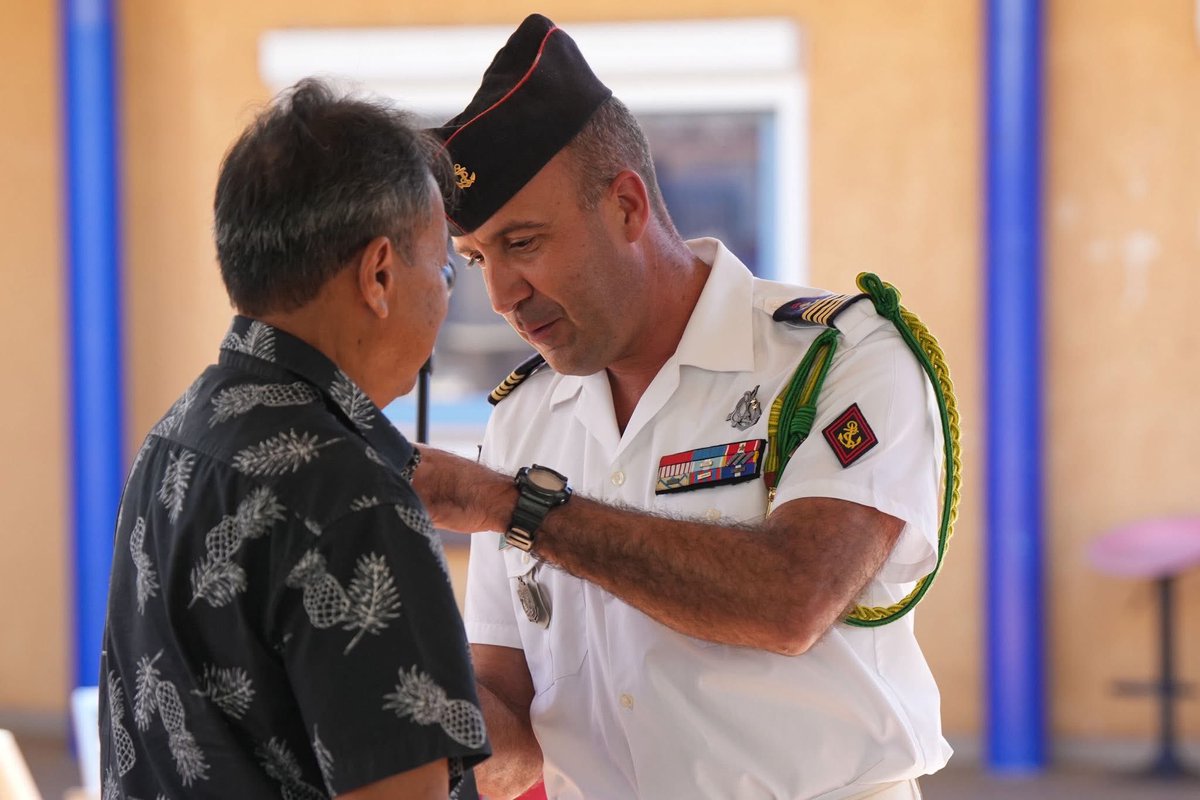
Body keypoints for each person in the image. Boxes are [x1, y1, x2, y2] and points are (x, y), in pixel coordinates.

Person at [414, 14, 956, 800]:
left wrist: (511, 508)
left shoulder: (836, 360)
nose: (501, 295)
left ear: (627, 207)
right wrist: (389, 672)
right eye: (476, 259)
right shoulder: (522, 419)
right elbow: (518, 745)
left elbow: (791, 599)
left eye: (524, 244)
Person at [98, 78, 489, 800]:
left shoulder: (176, 438)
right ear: (378, 274)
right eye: (444, 270)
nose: (444, 297)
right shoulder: (349, 496)